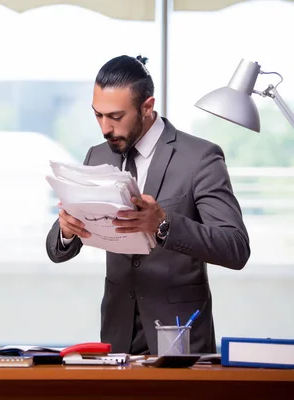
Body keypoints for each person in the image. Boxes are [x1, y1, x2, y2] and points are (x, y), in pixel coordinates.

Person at [45, 55, 250, 355]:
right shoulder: (97, 155)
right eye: (98, 115)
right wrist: (67, 229)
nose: (105, 128)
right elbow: (56, 250)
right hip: (116, 338)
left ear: (147, 107)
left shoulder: (199, 158)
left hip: (181, 337)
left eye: (115, 117)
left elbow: (236, 247)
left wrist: (163, 225)